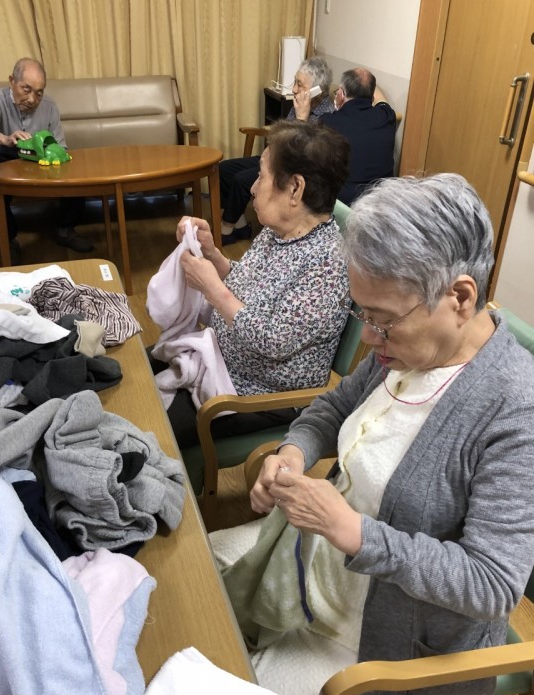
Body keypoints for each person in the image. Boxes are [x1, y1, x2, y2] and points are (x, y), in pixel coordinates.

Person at [211, 173, 534, 695]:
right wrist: (294, 451)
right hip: (318, 559)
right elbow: (335, 406)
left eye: (383, 319)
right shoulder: (405, 351)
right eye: (363, 315)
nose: (369, 338)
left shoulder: (515, 411)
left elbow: (490, 584)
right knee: (192, 582)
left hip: (384, 635)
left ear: (460, 298)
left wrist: (354, 533)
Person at [148, 119, 351, 449]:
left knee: (150, 427)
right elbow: (249, 283)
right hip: (222, 358)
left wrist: (214, 289)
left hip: (257, 394)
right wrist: (213, 254)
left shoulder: (328, 263)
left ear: (295, 189)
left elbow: (272, 341)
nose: (253, 188)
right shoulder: (278, 231)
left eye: (262, 176)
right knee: (138, 368)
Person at [0, 58, 93, 263]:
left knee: (76, 175)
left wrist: (54, 160)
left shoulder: (50, 106)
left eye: (39, 93)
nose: (32, 99)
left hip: (41, 158)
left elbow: (60, 144)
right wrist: (5, 138)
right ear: (12, 81)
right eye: (26, 89)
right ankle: (8, 240)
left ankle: (65, 229)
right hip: (8, 155)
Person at [218, 56, 336, 245]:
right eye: (295, 82)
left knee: (241, 180)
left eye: (300, 84)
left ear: (317, 91)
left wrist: (302, 118)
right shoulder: (299, 103)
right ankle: (240, 226)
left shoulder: (328, 115)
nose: (294, 89)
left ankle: (226, 228)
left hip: (289, 168)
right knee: (224, 169)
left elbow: (300, 155)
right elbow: (281, 135)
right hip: (276, 158)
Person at [320, 67, 397, 205]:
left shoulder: (327, 123)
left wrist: (302, 116)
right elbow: (380, 98)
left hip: (344, 208)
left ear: (341, 94)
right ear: (371, 98)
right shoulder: (386, 116)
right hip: (384, 205)